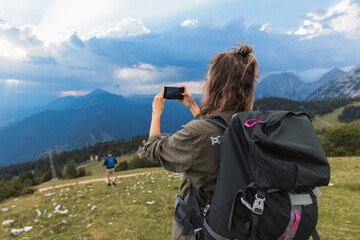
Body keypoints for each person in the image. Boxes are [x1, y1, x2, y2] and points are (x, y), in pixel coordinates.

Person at [145, 44, 259, 240]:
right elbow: (217, 130)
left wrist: (156, 113)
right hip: (240, 226)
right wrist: (193, 107)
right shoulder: (252, 125)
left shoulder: (196, 134)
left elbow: (154, 149)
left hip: (200, 229)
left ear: (214, 84)